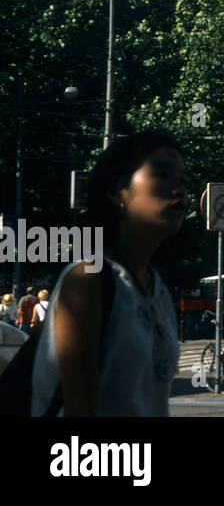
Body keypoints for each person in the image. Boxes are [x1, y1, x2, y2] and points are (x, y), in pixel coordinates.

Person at [30, 131, 185, 416]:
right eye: (163, 175)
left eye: (182, 180)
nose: (178, 190)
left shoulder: (157, 288)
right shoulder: (88, 280)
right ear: (118, 191)